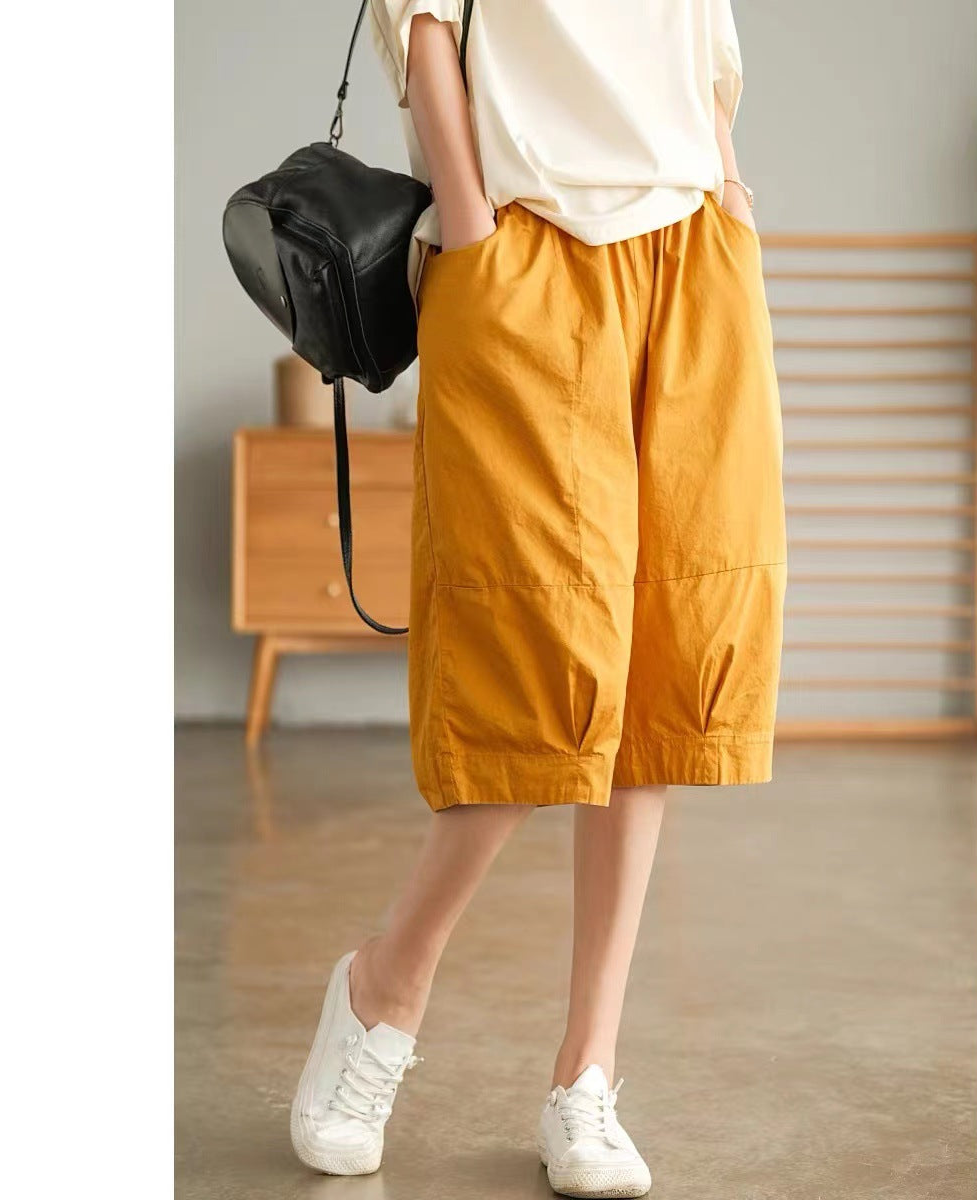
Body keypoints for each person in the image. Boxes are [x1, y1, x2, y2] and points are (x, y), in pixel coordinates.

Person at [289, 2, 786, 1195]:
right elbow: (424, 20)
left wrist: (727, 192)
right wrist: (470, 221)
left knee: (662, 663)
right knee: (536, 659)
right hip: (526, 244)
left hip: (695, 250)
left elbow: (698, 40)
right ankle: (385, 986)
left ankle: (588, 1076)